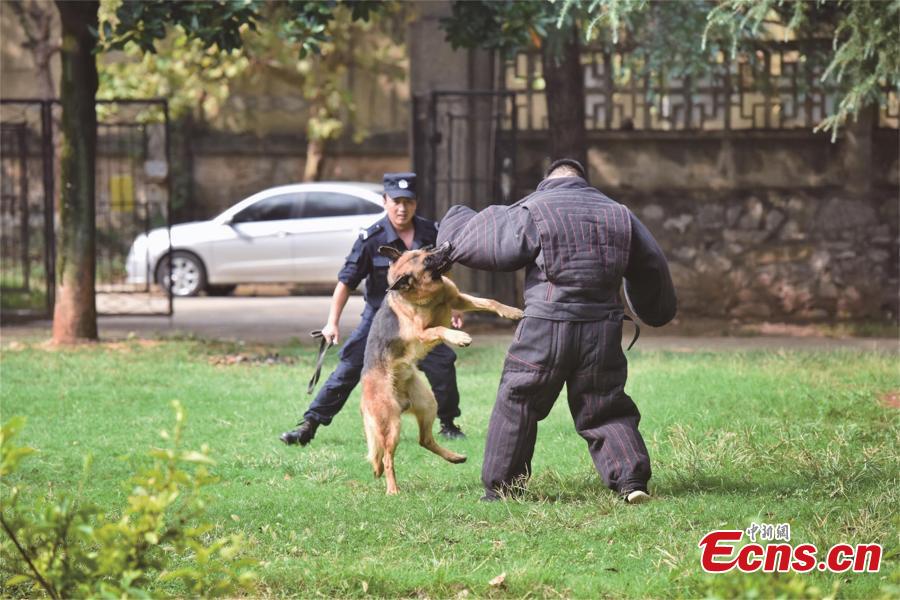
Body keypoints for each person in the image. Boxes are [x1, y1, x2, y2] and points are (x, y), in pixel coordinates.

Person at [435, 158, 676, 503]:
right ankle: (631, 481)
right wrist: (656, 310)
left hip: (544, 330)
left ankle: (502, 489)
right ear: (583, 181)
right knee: (605, 406)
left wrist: (453, 226)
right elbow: (652, 265)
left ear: (548, 181)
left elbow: (490, 242)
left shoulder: (535, 208)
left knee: (518, 400)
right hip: (602, 330)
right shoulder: (619, 213)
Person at [281, 172, 465, 446]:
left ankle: (448, 423)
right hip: (381, 321)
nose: (402, 208)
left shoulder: (431, 232)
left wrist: (453, 306)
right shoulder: (372, 238)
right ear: (385, 201)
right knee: (349, 368)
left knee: (443, 364)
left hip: (420, 319)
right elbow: (345, 282)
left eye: (408, 202)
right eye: (396, 201)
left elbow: (443, 272)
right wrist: (332, 323)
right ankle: (309, 424)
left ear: (416, 203)